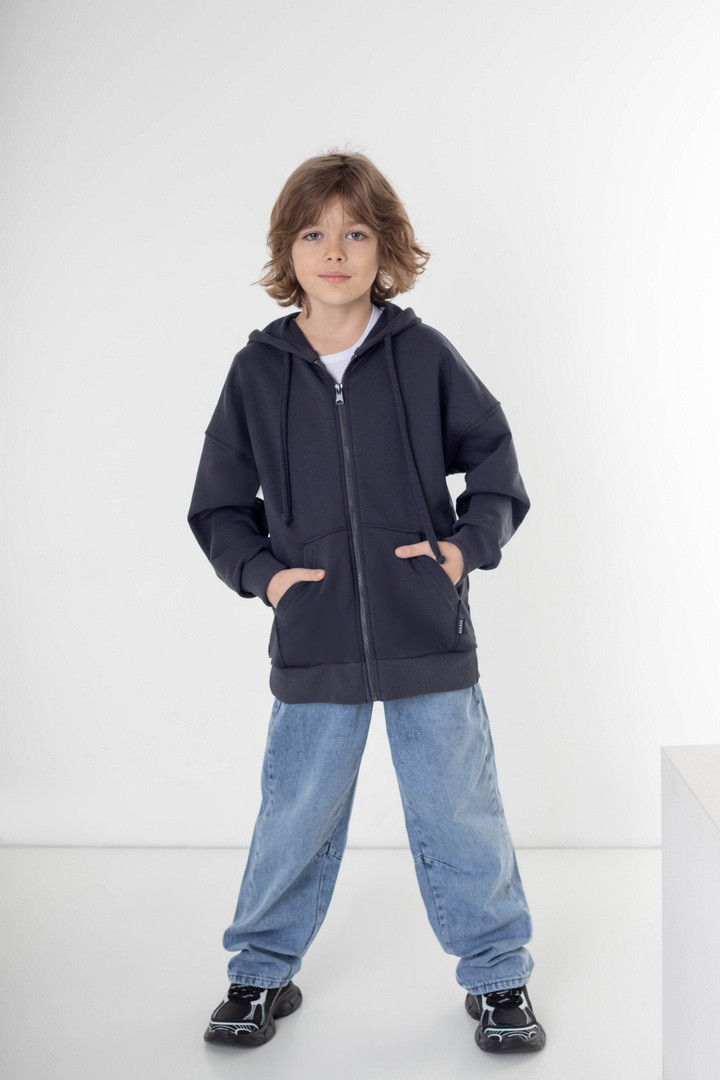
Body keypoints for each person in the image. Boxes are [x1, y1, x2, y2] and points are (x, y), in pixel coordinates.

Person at [187, 149, 546, 1054]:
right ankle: (260, 971)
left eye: (355, 232)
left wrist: (461, 552)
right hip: (314, 635)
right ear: (288, 249)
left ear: (384, 246)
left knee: (458, 808)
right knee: (296, 812)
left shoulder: (422, 356)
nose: (335, 252)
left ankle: (498, 977)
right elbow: (219, 506)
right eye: (314, 233)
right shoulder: (258, 371)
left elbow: (497, 465)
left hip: (425, 625)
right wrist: (267, 577)